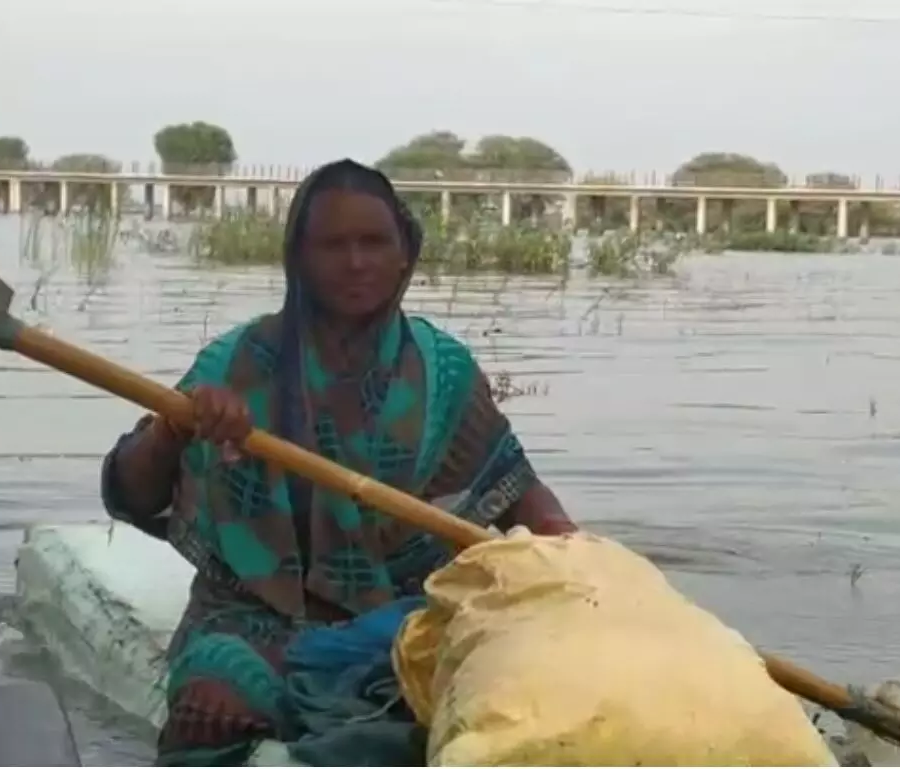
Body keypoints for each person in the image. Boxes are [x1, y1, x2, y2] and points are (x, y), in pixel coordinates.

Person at [99, 159, 577, 765]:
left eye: (374, 242)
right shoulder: (235, 364)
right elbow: (132, 494)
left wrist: (575, 560)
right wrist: (176, 425)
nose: (356, 262)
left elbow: (515, 488)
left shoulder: (445, 371)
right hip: (252, 619)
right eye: (333, 244)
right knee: (212, 711)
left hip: (404, 623)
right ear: (299, 258)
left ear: (405, 252)